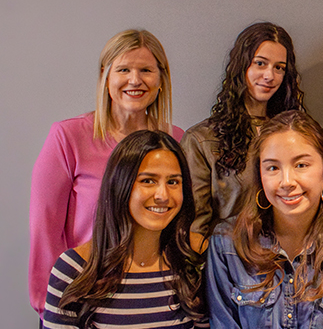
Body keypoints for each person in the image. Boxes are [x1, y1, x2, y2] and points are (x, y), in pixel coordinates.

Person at [29, 29, 184, 317]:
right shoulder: (68, 136)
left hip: (157, 295)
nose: (135, 80)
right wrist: (48, 300)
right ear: (105, 75)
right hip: (86, 295)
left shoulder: (176, 140)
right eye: (123, 69)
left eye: (146, 70)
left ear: (161, 78)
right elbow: (44, 227)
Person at [206, 110, 323, 329]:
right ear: (260, 173)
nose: (286, 181)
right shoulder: (228, 243)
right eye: (273, 168)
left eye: (301, 165)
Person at [43, 130, 207, 328]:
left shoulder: (195, 262)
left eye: (173, 182)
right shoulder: (75, 270)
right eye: (148, 181)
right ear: (120, 185)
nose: (163, 195)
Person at [181, 22, 305, 237]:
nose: (269, 76)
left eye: (279, 68)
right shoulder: (201, 139)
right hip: (228, 262)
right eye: (260, 63)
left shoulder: (297, 135)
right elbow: (194, 229)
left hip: (289, 261)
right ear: (242, 66)